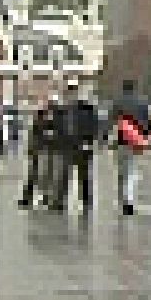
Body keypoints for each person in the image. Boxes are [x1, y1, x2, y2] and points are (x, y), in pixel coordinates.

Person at [51, 85, 99, 213]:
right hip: (66, 146)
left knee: (84, 176)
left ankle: (86, 202)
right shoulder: (61, 110)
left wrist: (89, 141)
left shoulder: (87, 109)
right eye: (69, 93)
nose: (71, 96)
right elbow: (56, 127)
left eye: (74, 92)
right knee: (63, 175)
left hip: (83, 146)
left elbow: (95, 126)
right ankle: (60, 201)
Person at [108, 79, 151, 216]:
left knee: (121, 171)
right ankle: (129, 200)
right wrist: (146, 136)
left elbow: (111, 122)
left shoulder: (117, 102)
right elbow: (148, 122)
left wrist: (106, 138)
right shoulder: (142, 103)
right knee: (131, 170)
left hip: (121, 141)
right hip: (136, 141)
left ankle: (122, 199)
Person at [19, 101, 56, 208]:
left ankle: (44, 198)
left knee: (45, 177)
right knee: (33, 177)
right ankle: (28, 198)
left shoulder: (50, 124)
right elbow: (32, 139)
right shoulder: (37, 125)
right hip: (38, 154)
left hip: (45, 154)